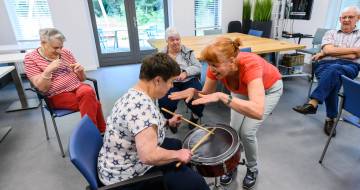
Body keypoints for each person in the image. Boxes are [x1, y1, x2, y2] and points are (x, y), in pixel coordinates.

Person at [169, 37, 283, 189]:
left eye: (214, 65)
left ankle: (252, 168)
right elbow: (206, 95)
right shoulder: (215, 66)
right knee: (233, 131)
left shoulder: (251, 65)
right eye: (209, 65)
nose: (211, 69)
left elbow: (257, 111)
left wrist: (223, 96)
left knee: (247, 132)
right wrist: (194, 91)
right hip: (241, 90)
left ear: (231, 61)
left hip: (269, 89)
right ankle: (230, 164)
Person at [97, 53, 209, 190]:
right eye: (171, 82)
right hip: (126, 178)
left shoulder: (135, 93)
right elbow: (148, 156)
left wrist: (167, 122)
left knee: (177, 144)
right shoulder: (142, 108)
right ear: (157, 80)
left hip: (119, 162)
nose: (171, 86)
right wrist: (177, 155)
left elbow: (140, 126)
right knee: (196, 183)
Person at [293, 6, 360, 137]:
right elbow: (331, 51)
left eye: (350, 17)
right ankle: (330, 119)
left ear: (357, 18)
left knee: (334, 72)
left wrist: (329, 51)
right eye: (344, 17)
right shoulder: (330, 33)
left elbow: (354, 56)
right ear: (340, 19)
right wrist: (348, 50)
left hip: (350, 66)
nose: (346, 20)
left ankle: (313, 103)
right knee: (333, 81)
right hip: (325, 63)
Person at [24, 28, 106, 133]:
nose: (59, 51)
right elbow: (42, 88)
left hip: (77, 87)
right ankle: (99, 131)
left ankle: (91, 134)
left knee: (87, 91)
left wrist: (80, 71)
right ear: (43, 43)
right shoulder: (31, 58)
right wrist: (48, 70)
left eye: (61, 47)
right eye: (55, 48)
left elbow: (82, 79)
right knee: (94, 102)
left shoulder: (66, 52)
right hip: (56, 95)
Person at [158, 27, 204, 132]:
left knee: (198, 98)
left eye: (177, 39)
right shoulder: (162, 55)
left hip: (188, 81)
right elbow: (157, 71)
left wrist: (186, 72)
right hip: (170, 83)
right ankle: (171, 121)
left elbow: (198, 67)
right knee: (165, 102)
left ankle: (195, 116)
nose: (175, 42)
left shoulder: (188, 52)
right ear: (166, 41)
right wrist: (168, 77)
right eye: (172, 39)